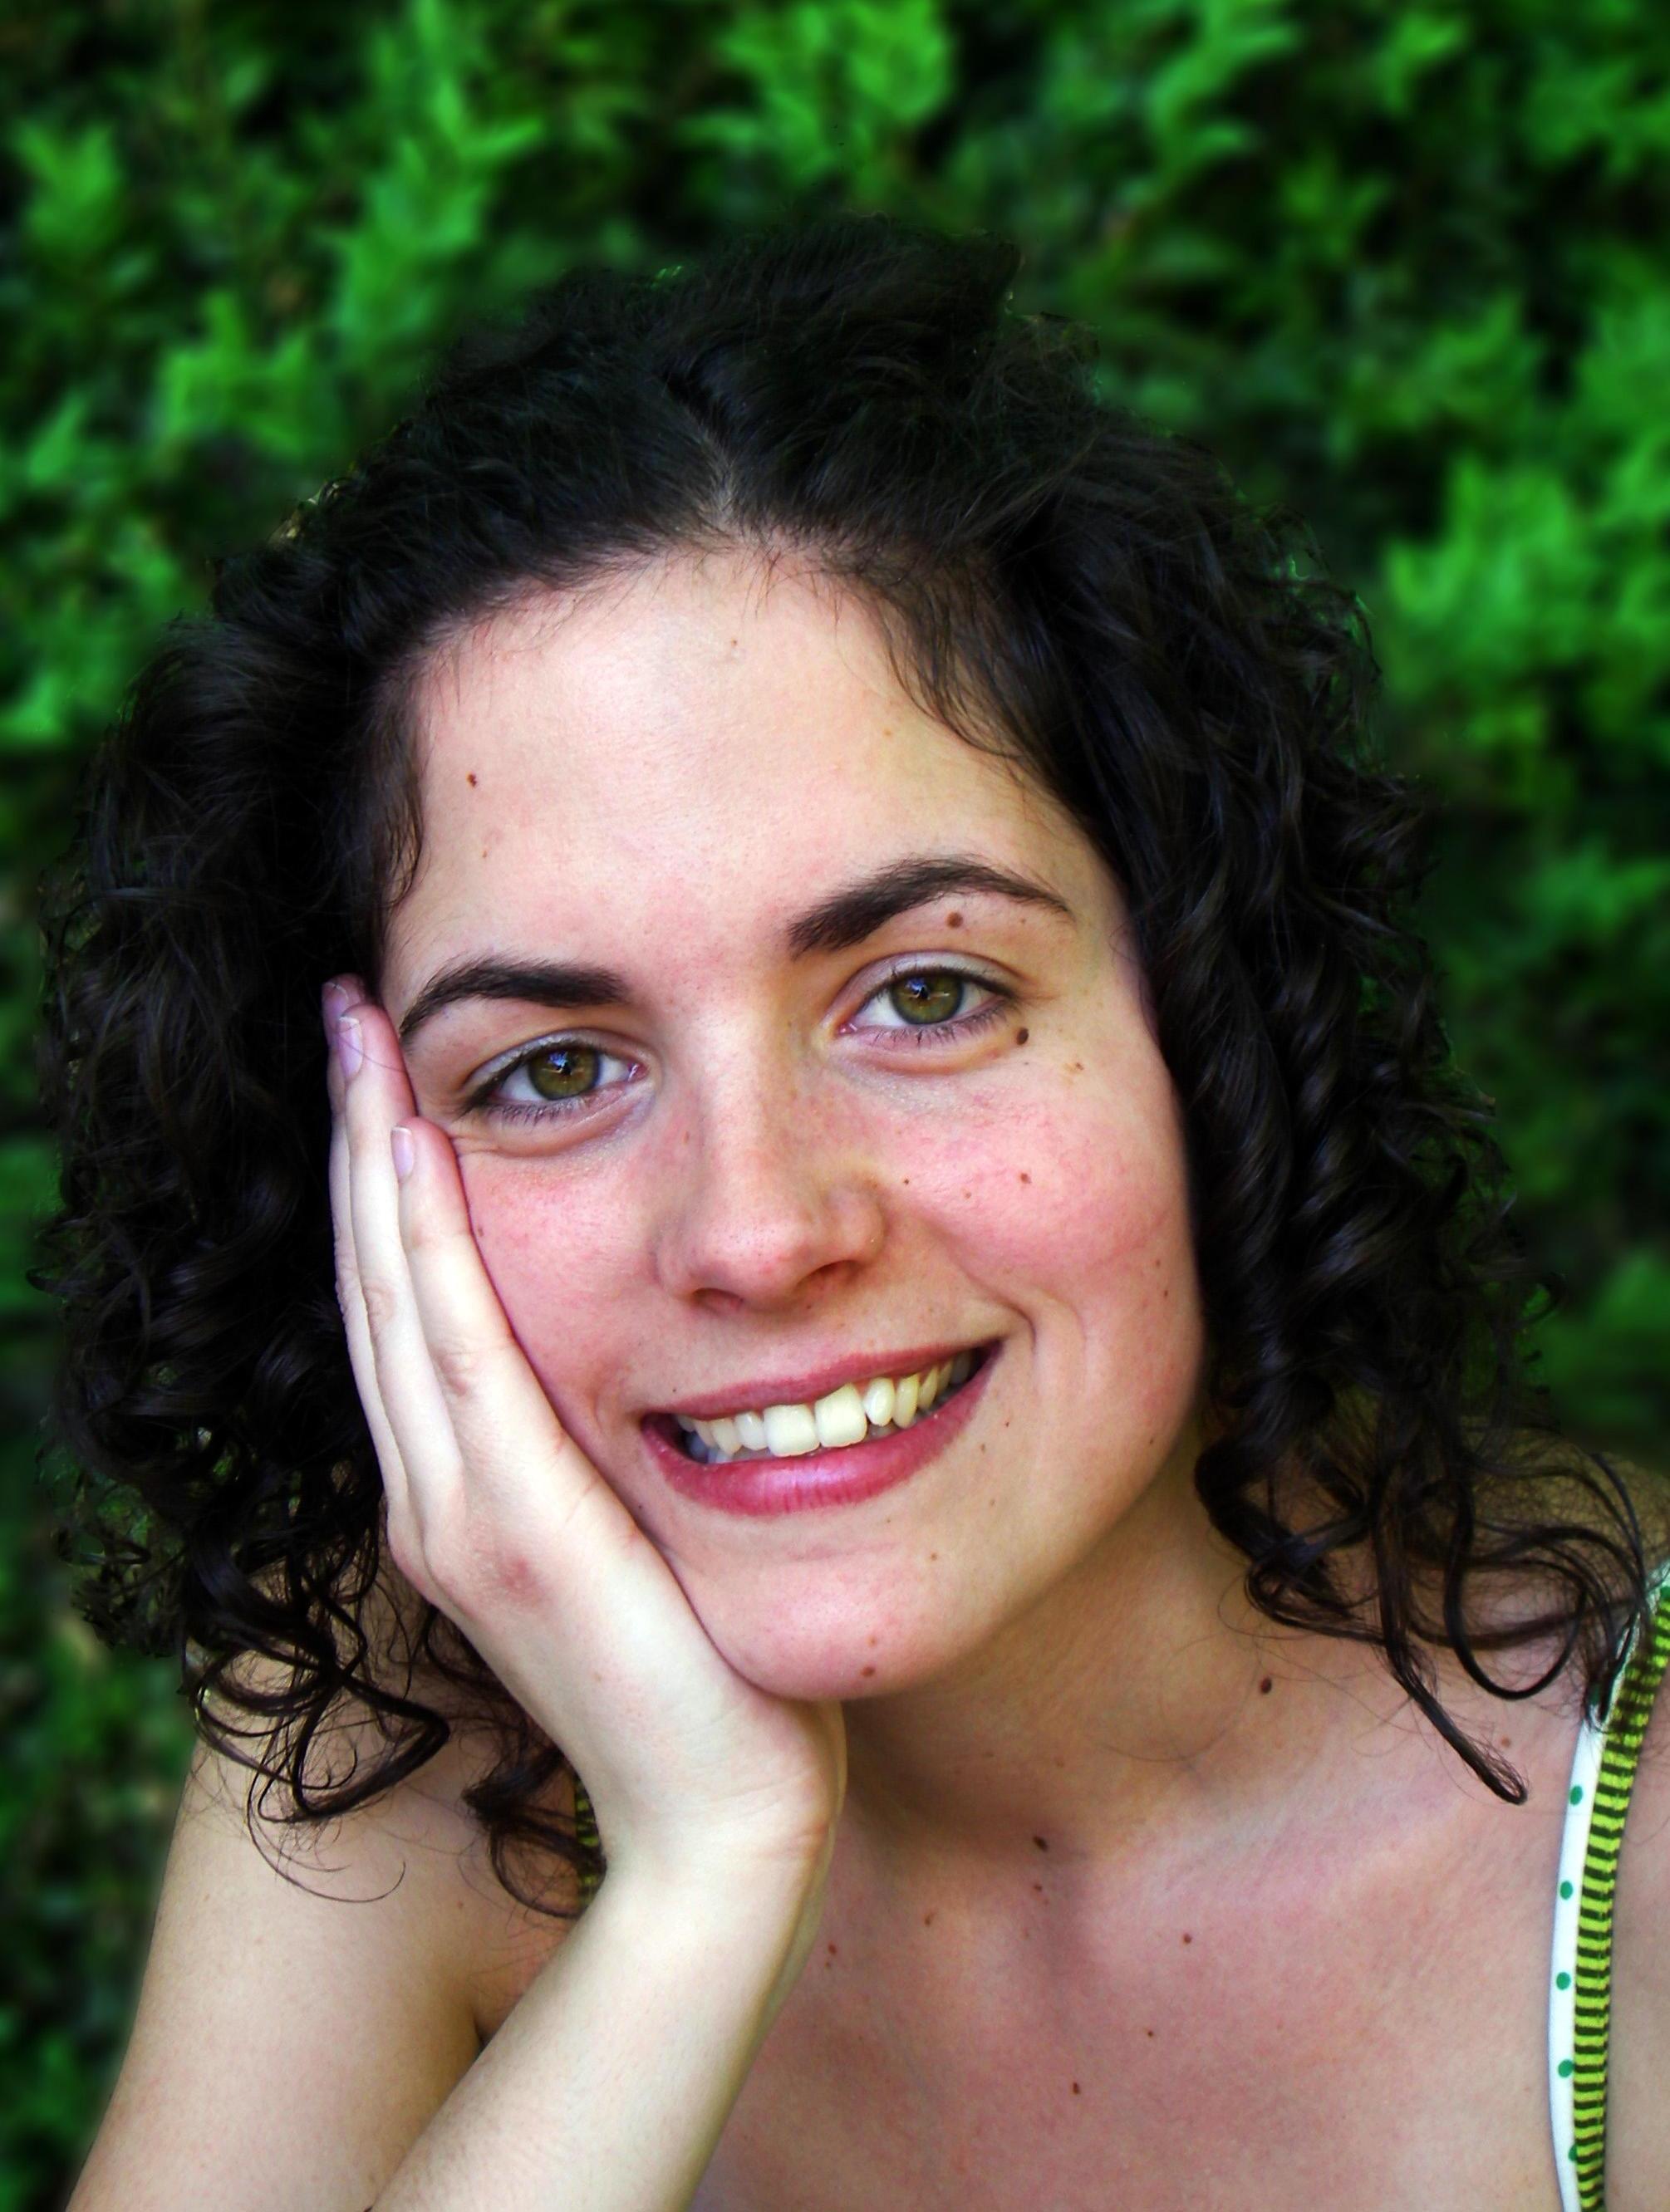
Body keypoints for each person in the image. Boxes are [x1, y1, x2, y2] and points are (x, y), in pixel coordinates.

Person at [38, 213, 1669, 2212]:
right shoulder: (389, 1744)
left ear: (1205, 1028)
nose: (755, 1230)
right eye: (553, 1071)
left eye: (928, 995)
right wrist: (695, 1887)